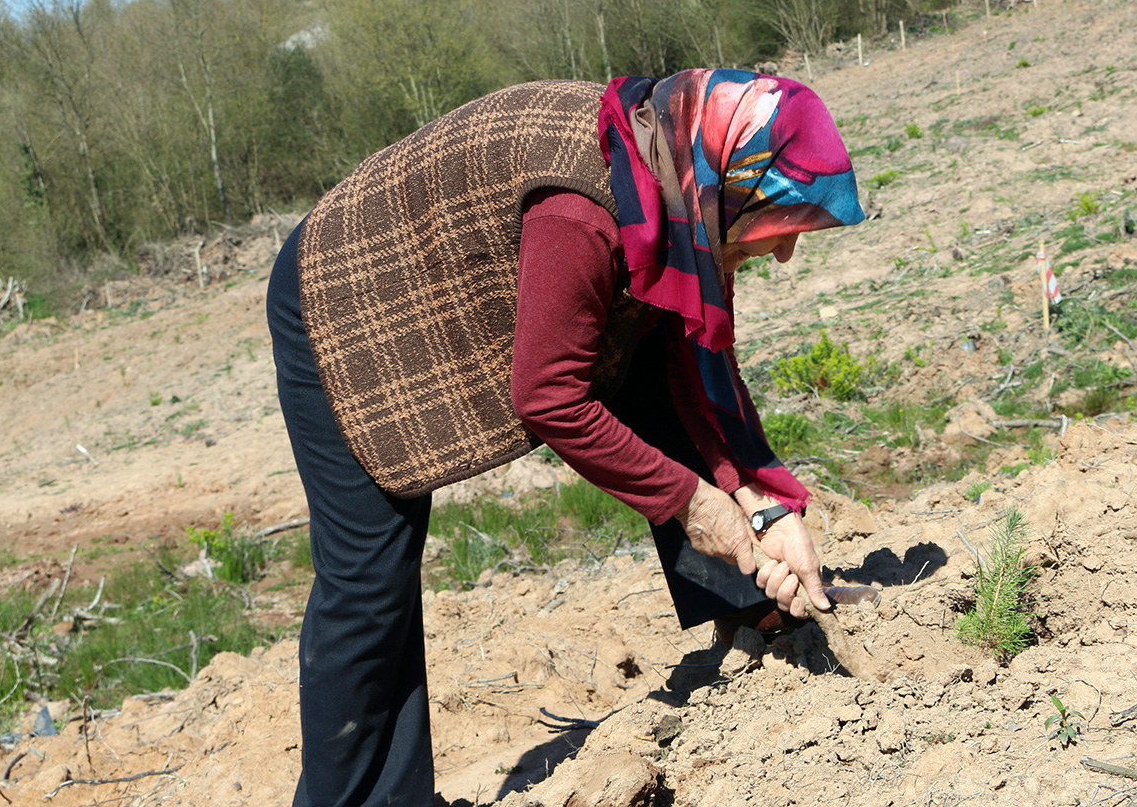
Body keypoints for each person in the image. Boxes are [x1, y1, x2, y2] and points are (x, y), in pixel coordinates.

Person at [265, 69, 864, 807]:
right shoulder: (585, 210)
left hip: (440, 272)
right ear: (731, 188)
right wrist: (695, 504)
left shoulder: (676, 190)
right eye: (779, 228)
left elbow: (690, 372)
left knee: (651, 368)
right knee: (370, 576)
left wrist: (767, 509)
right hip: (346, 295)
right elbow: (548, 398)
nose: (783, 256)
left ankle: (757, 615)